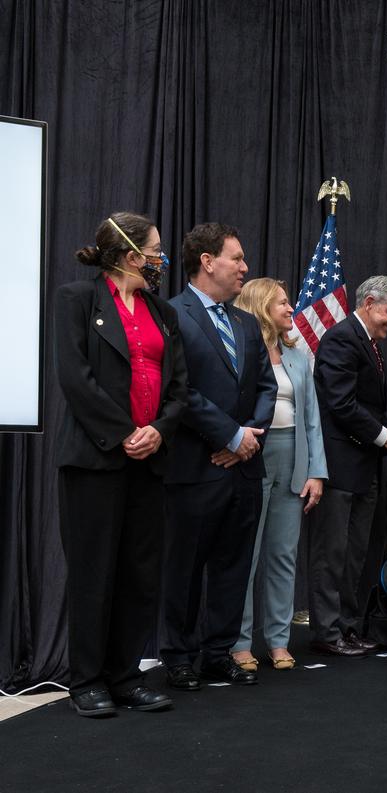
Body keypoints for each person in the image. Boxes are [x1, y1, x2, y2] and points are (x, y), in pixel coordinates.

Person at [53, 212, 188, 717]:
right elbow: (75, 378)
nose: (160, 261)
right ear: (132, 255)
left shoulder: (163, 312)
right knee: (94, 572)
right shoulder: (77, 299)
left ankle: (127, 677)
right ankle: (87, 681)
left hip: (149, 461)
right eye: (155, 252)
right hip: (97, 459)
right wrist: (125, 432)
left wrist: (159, 430)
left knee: (139, 573)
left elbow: (179, 387)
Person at [161, 223, 276, 690]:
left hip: (243, 470)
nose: (245, 267)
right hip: (195, 468)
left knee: (234, 568)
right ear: (207, 262)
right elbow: (179, 389)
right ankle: (179, 656)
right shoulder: (172, 315)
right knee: (184, 570)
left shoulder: (246, 323)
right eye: (237, 257)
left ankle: (217, 653)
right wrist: (229, 436)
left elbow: (267, 387)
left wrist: (247, 438)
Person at [309, 275, 387, 656]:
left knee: (354, 555)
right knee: (332, 554)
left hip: (364, 468)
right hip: (340, 467)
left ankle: (347, 627)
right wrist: (386, 437)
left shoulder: (368, 344)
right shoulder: (341, 338)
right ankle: (327, 633)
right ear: (369, 303)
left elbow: (367, 407)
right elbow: (340, 404)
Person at [229, 278, 327, 672]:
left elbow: (312, 418)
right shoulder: (240, 351)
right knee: (246, 554)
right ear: (260, 307)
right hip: (251, 456)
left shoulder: (298, 357)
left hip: (293, 457)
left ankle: (279, 640)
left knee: (283, 554)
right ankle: (239, 643)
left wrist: (316, 471)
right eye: (282, 303)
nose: (290, 309)